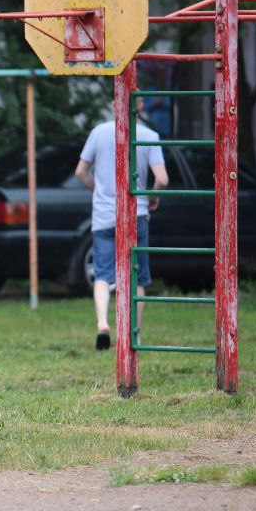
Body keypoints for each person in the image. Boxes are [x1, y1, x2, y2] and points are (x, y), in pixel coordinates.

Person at [75, 105, 169, 350]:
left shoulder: (98, 132)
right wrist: (151, 197)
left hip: (104, 216)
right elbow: (162, 179)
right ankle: (134, 337)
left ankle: (103, 323)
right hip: (136, 214)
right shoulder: (149, 136)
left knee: (103, 274)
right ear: (139, 107)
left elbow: (81, 172)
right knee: (137, 276)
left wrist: (98, 191)